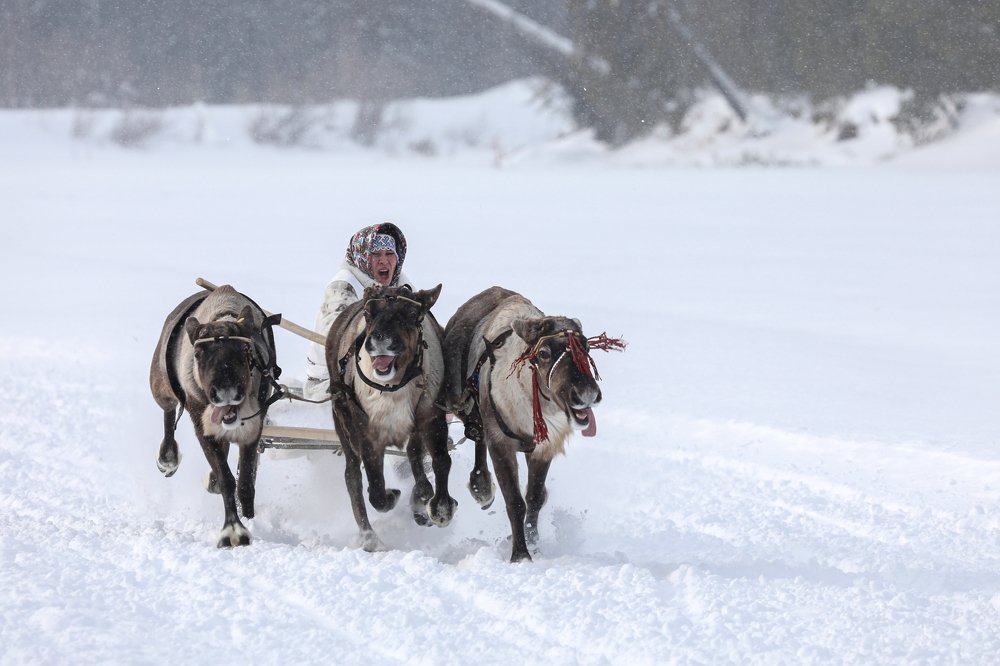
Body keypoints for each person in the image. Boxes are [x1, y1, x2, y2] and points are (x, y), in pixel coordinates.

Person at [303, 223, 413, 400]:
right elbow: (338, 336)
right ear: (362, 256)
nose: (384, 260)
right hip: (334, 381)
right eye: (376, 254)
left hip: (380, 372)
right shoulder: (343, 287)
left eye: (389, 254)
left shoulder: (401, 286)